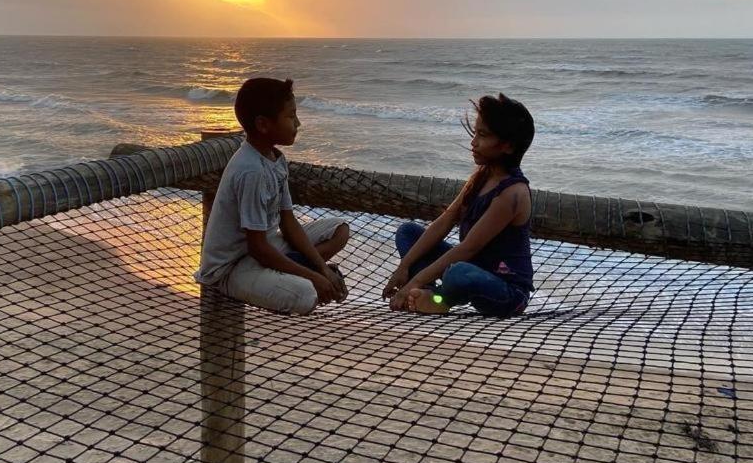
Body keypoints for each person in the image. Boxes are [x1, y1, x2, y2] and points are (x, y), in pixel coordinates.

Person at [195, 77, 350, 314]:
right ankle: (295, 276)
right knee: (307, 295)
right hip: (232, 267)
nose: (298, 123)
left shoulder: (275, 159)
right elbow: (257, 247)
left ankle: (292, 272)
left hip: (269, 246)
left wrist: (321, 269)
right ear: (263, 125)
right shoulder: (251, 171)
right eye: (290, 116)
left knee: (340, 230)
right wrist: (315, 277)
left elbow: (288, 222)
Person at [383, 93, 535, 316]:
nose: (473, 142)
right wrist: (403, 267)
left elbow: (468, 247)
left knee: (459, 272)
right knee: (408, 232)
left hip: (506, 292)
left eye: (482, 135)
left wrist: (409, 284)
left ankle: (439, 299)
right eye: (475, 133)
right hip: (473, 268)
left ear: (508, 146)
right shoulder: (482, 177)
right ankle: (425, 293)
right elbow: (445, 221)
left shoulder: (512, 193)